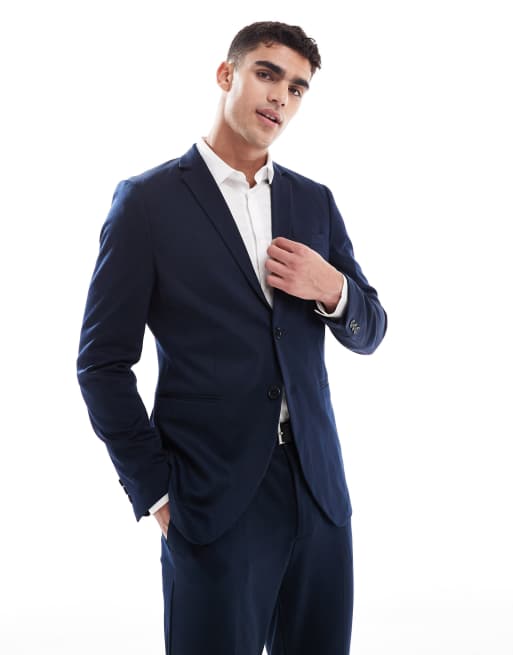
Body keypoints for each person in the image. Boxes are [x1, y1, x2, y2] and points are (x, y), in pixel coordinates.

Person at [77, 20, 387, 655]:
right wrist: (155, 493)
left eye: (296, 88)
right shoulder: (147, 204)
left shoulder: (314, 202)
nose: (280, 97)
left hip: (320, 494)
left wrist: (333, 288)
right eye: (267, 75)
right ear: (227, 75)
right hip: (211, 498)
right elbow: (102, 365)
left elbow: (371, 329)